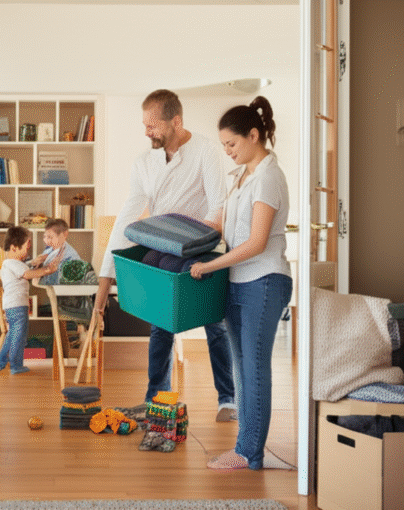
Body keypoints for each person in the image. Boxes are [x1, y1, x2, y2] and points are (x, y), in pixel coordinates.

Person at [92, 89, 236, 421]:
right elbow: (126, 220)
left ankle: (228, 398)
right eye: (144, 125)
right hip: (162, 251)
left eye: (152, 126)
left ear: (176, 121)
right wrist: (104, 284)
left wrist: (196, 239)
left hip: (203, 249)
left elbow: (219, 204)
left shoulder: (205, 152)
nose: (146, 133)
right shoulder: (144, 163)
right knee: (161, 324)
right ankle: (158, 400)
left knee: (215, 323)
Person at [189, 96, 292, 470]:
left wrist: (212, 265)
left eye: (232, 144)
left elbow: (256, 242)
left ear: (254, 134)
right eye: (224, 146)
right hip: (238, 282)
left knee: (254, 368)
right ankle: (246, 448)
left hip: (263, 281)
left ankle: (249, 450)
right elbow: (225, 227)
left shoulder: (268, 177)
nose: (228, 152)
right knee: (241, 366)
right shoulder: (241, 178)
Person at [0, 226, 64, 374]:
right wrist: (47, 270)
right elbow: (27, 274)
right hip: (17, 306)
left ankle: (0, 362)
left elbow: (25, 266)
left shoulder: (11, 263)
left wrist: (36, 260)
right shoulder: (12, 263)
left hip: (13, 306)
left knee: (13, 334)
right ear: (13, 247)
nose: (27, 251)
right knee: (19, 337)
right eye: (25, 247)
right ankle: (16, 365)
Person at [29, 218, 81, 285]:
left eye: (50, 237)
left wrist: (47, 270)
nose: (46, 241)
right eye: (45, 237)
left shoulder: (70, 257)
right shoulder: (49, 249)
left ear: (64, 234)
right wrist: (37, 264)